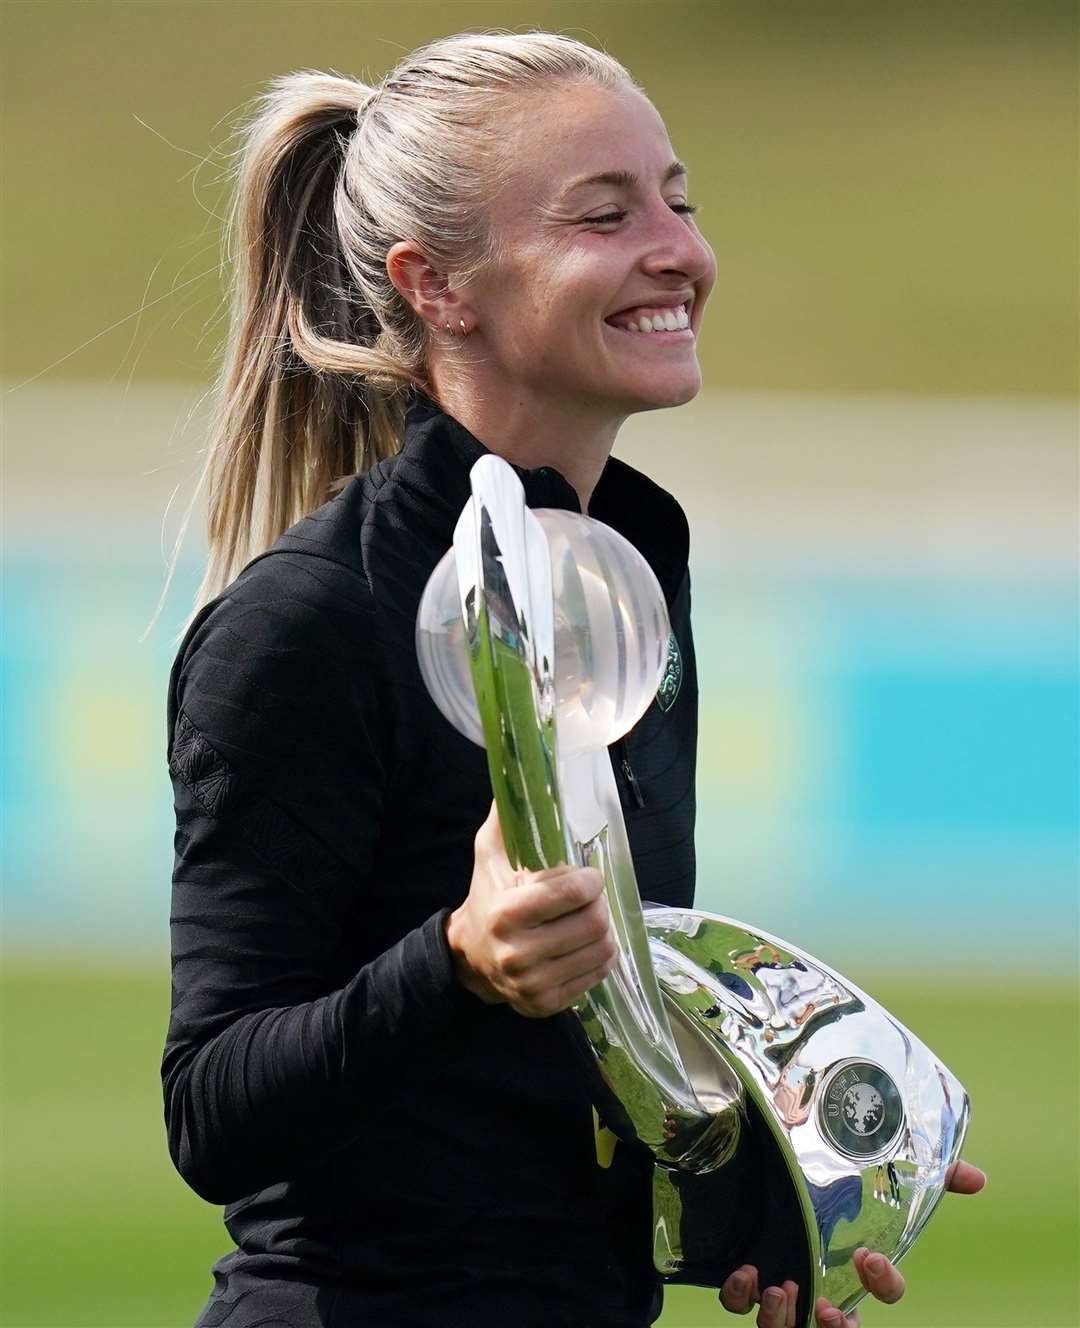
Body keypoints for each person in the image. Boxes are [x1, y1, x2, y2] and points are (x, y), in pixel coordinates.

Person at [161, 30, 984, 1328]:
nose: (678, 248)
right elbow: (212, 1109)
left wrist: (747, 1182)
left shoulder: (635, 558)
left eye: (679, 198)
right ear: (436, 286)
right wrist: (454, 964)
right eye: (606, 214)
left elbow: (554, 1078)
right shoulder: (307, 622)